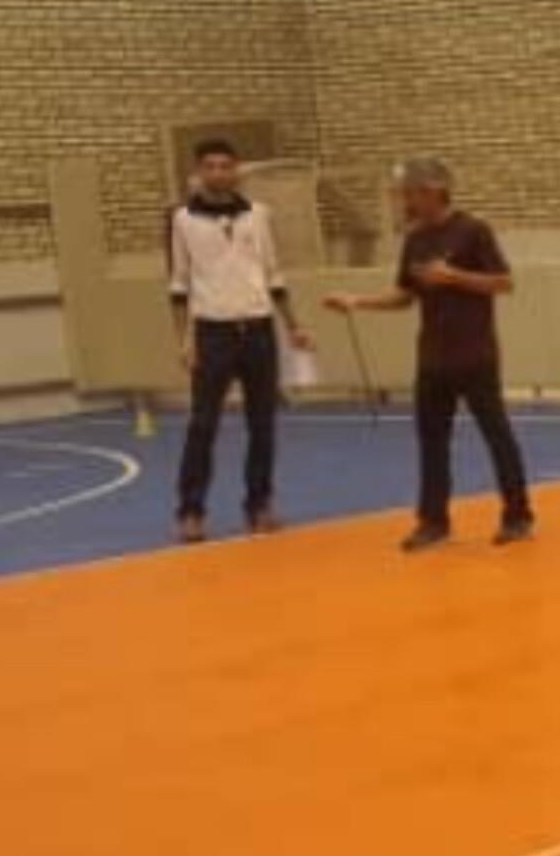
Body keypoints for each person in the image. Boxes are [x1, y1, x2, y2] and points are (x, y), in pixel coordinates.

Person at [324, 156, 533, 551]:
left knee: (496, 434)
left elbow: (503, 283)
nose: (404, 201)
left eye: (408, 193)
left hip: (474, 354)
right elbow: (405, 296)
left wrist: (454, 276)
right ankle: (433, 522)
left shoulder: (473, 231)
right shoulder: (415, 239)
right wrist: (357, 301)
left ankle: (517, 514)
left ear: (432, 191)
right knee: (431, 440)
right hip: (433, 357)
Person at [164, 137, 305, 540]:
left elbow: (273, 272)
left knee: (263, 424)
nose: (218, 173)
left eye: (226, 166)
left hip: (258, 328)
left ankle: (259, 506)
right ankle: (191, 511)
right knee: (203, 425)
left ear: (237, 170)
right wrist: (184, 340)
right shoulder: (182, 220)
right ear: (198, 172)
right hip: (212, 332)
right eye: (210, 166)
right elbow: (179, 284)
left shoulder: (258, 215)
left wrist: (293, 325)